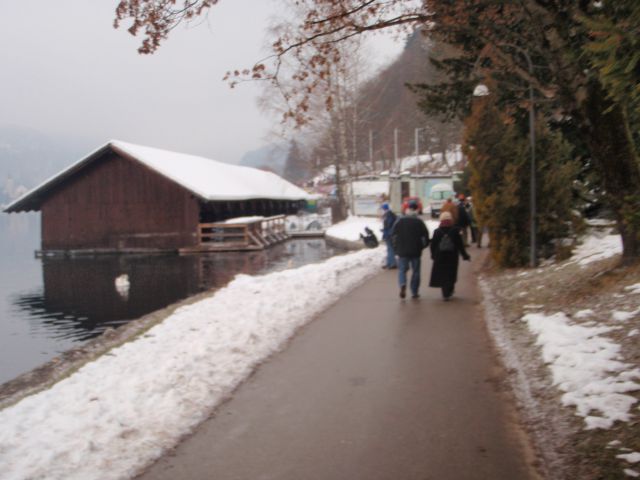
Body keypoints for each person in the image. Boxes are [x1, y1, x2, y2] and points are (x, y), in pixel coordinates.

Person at [390, 200, 430, 299]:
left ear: (407, 209)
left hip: (402, 251)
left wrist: (396, 248)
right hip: (416, 251)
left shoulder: (399, 221)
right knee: (416, 272)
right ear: (416, 209)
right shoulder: (419, 222)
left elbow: (393, 235)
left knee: (402, 270)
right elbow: (426, 236)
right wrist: (422, 246)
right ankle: (414, 292)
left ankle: (403, 284)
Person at [429, 211, 470, 300]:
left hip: (440, 256)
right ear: (450, 220)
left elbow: (433, 245)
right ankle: (450, 289)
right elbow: (460, 245)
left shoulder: (437, 232)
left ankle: (445, 293)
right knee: (451, 273)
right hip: (452, 256)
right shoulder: (455, 230)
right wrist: (465, 255)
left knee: (442, 273)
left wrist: (433, 255)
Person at [380, 203, 398, 269]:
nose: (381, 210)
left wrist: (385, 230)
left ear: (384, 209)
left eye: (382, 209)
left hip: (389, 235)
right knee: (389, 249)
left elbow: (389, 225)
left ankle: (392, 264)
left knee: (390, 249)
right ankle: (389, 263)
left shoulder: (389, 215)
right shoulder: (388, 214)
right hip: (389, 234)